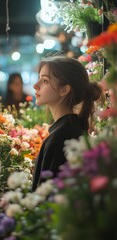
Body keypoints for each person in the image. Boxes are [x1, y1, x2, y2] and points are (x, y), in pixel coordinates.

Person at [32, 55, 102, 191]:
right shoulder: (68, 127)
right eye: (39, 78)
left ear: (64, 89)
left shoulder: (62, 135)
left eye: (45, 80)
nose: (36, 85)